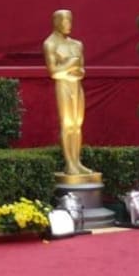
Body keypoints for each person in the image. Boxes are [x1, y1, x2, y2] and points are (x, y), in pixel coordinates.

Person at [43, 10, 94, 175]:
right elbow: (53, 72)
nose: (68, 25)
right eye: (64, 21)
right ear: (57, 22)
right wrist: (71, 64)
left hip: (76, 86)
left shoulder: (77, 44)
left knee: (77, 125)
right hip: (63, 86)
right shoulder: (50, 44)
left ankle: (77, 161)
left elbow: (82, 69)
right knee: (66, 124)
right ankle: (69, 163)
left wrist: (75, 69)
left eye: (70, 21)